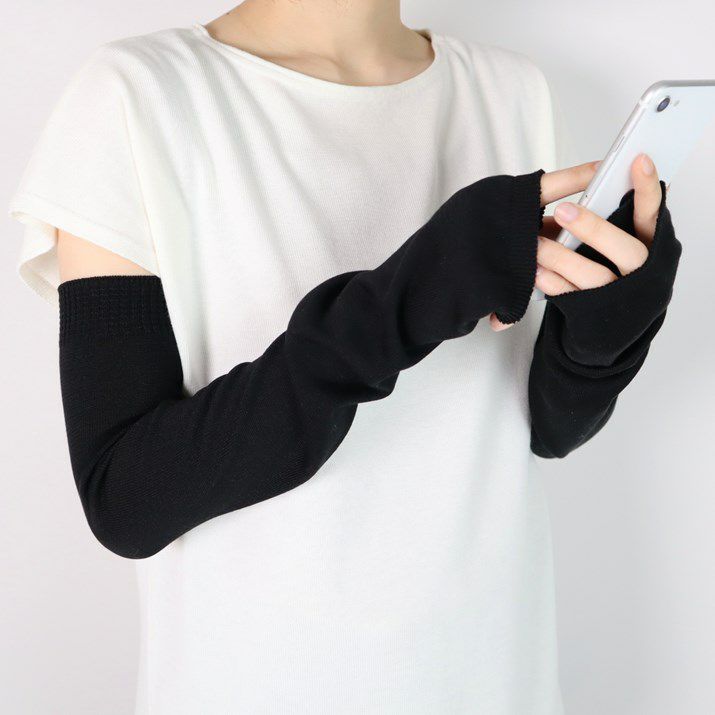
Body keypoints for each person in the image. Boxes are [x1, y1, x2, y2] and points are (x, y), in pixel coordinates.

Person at [7, 2, 681, 713]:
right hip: (258, 688)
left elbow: (537, 427)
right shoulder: (138, 92)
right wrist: (413, 295)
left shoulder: (510, 90)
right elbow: (126, 500)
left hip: (496, 678)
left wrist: (604, 337)